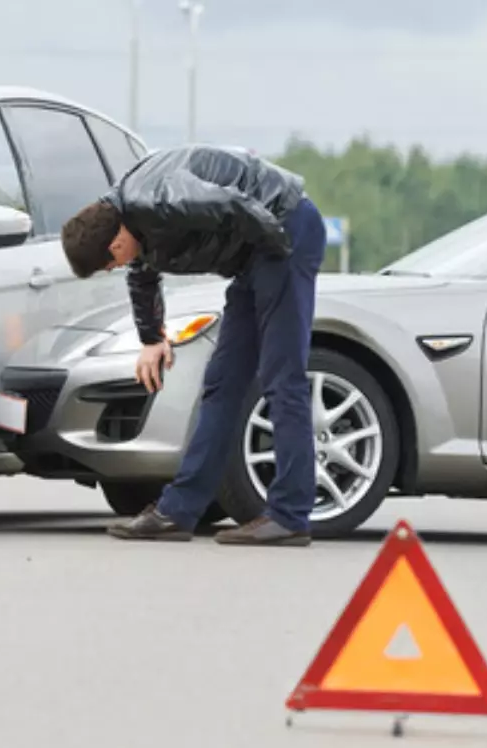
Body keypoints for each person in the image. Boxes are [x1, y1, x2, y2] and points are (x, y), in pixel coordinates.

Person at [60, 145, 326, 546]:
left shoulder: (161, 199)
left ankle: (290, 515)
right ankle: (178, 512)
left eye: (108, 265)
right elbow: (143, 273)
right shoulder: (125, 216)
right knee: (221, 383)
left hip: (284, 233)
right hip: (257, 255)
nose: (116, 268)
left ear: (115, 244)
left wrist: (279, 255)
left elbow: (234, 204)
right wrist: (151, 339)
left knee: (281, 376)